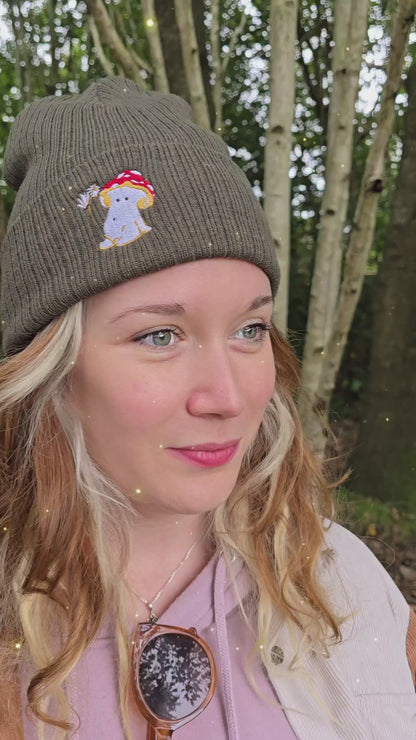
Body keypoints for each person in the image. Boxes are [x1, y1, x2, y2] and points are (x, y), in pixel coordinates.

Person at [0, 77, 414, 740]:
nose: (228, 397)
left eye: (250, 330)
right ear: (51, 368)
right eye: (159, 336)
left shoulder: (342, 585)